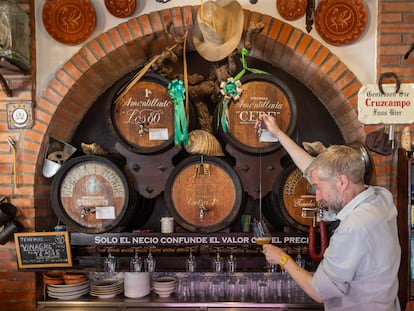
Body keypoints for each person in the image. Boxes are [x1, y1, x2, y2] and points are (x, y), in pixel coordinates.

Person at [256, 114, 401, 311]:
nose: (317, 197)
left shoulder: (354, 228)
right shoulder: (381, 198)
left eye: (318, 188)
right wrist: (279, 134)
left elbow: (319, 292)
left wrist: (283, 259)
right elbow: (312, 170)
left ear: (342, 182)